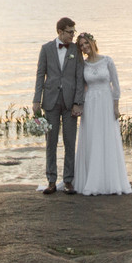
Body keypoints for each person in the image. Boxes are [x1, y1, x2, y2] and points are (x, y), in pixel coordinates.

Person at [73, 32, 132, 195]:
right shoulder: (83, 65)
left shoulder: (107, 61)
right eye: (81, 45)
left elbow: (116, 85)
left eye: (86, 43)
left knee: (107, 137)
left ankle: (109, 180)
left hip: (106, 102)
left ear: (93, 42)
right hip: (90, 103)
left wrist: (115, 106)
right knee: (92, 138)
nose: (85, 47)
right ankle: (91, 179)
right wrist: (78, 105)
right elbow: (81, 86)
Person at [32, 17, 85, 195]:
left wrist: (78, 102)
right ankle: (51, 181)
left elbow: (79, 78)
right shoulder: (46, 49)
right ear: (60, 32)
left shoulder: (76, 50)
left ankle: (68, 181)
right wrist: (36, 100)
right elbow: (40, 75)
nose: (72, 36)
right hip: (50, 101)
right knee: (51, 142)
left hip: (70, 103)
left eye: (73, 32)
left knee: (70, 142)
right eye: (70, 32)